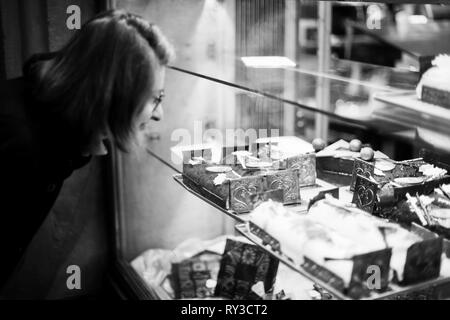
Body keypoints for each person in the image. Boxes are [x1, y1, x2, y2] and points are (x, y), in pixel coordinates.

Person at [0, 10, 174, 289]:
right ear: (114, 95)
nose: (159, 114)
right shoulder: (20, 145)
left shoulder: (57, 126)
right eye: (154, 99)